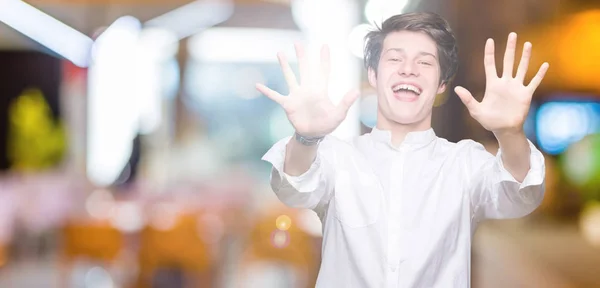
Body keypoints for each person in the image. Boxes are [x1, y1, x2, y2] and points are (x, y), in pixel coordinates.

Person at [256, 11, 549, 288]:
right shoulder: (338, 158)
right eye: (395, 59)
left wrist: (510, 133)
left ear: (442, 83)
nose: (408, 69)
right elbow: (292, 186)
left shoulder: (464, 163)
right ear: (373, 73)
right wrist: (306, 137)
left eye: (424, 62)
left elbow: (520, 194)